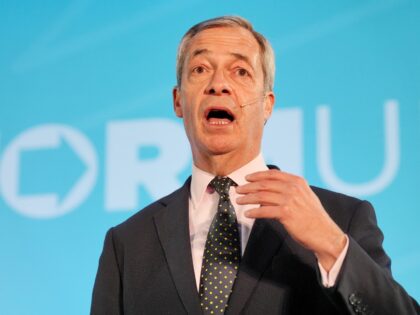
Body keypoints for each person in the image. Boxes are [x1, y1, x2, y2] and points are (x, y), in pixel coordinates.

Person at [91, 16, 419, 315]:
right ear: (179, 100)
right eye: (200, 69)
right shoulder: (128, 244)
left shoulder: (342, 218)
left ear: (267, 105)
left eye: (241, 72)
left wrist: (331, 245)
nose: (218, 84)